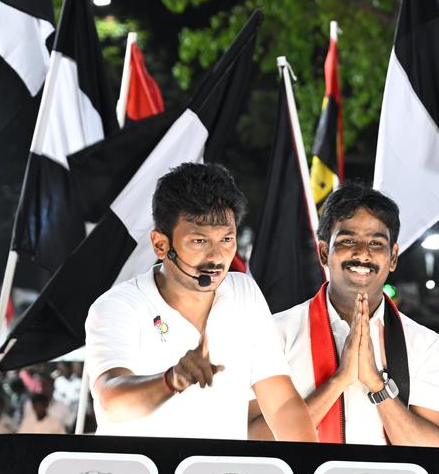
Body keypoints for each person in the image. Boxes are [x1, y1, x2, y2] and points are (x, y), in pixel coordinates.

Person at [85, 163, 315, 441]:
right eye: (199, 241)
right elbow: (112, 401)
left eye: (227, 239)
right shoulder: (117, 306)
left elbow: (282, 405)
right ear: (161, 245)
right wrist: (171, 381)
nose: (217, 257)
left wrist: (307, 473)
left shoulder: (244, 293)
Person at [250, 183, 439, 446]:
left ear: (393, 257)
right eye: (348, 241)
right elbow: (254, 440)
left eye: (376, 243)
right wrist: (339, 380)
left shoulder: (424, 344)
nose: (362, 253)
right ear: (324, 252)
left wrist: (377, 385)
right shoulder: (275, 333)